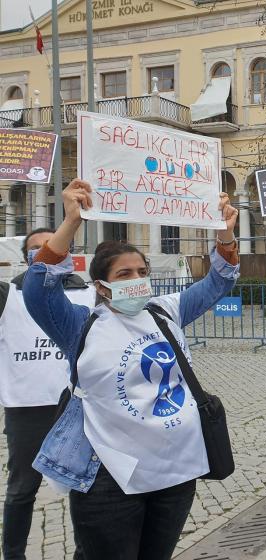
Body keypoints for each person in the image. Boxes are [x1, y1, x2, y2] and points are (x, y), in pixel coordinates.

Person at [22, 179, 240, 559]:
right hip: (110, 478)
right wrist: (72, 221)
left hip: (177, 472)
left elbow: (218, 282)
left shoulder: (166, 310)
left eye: (142, 271)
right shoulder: (78, 325)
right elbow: (38, 290)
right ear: (101, 286)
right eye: (125, 275)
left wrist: (224, 234)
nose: (138, 280)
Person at [0, 228, 95, 560]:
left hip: (77, 405)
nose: (43, 252)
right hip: (27, 408)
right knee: (22, 489)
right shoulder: (7, 295)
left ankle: (85, 551)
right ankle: (13, 554)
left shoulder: (88, 293)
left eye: (50, 246)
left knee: (84, 485)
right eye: (35, 249)